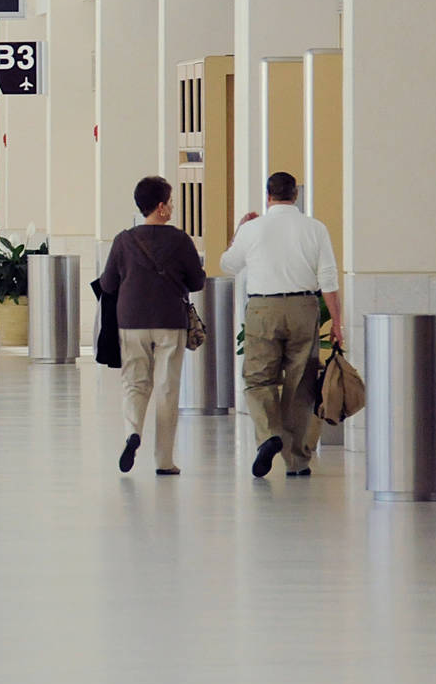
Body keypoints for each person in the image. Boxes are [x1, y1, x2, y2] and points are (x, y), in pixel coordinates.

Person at [222, 171, 342, 479]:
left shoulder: (253, 228)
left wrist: (239, 232)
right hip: (304, 306)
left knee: (258, 379)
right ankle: (297, 462)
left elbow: (229, 265)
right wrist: (337, 322)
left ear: (268, 195)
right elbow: (328, 278)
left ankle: (268, 435)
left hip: (263, 307)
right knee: (301, 383)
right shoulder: (315, 228)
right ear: (295, 195)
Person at [98, 176, 208, 475]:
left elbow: (108, 284)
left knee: (135, 382)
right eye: (170, 201)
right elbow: (197, 282)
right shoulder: (180, 239)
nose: (172, 207)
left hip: (131, 321)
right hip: (169, 321)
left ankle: (132, 432)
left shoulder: (124, 240)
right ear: (160, 207)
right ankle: (164, 460)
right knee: (167, 388)